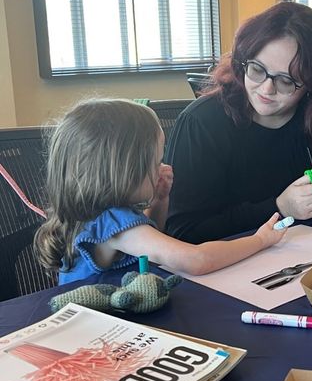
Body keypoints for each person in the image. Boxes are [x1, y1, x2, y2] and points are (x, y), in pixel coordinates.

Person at [165, 1, 312, 244]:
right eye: (257, 69)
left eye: (286, 80)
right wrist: (279, 207)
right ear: (243, 61)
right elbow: (183, 232)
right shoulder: (202, 122)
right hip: (230, 267)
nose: (266, 88)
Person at [34, 99, 287, 285]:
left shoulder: (92, 216)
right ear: (126, 171)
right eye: (155, 161)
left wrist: (159, 199)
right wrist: (260, 240)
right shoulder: (114, 224)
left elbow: (152, 239)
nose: (162, 167)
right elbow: (197, 260)